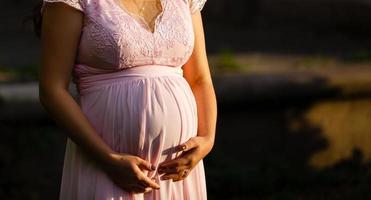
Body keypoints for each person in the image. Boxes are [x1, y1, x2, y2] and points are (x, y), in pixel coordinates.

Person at [36, 0, 217, 199]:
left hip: (176, 173)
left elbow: (200, 79)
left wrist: (207, 139)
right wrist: (108, 159)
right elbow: (52, 90)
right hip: (106, 165)